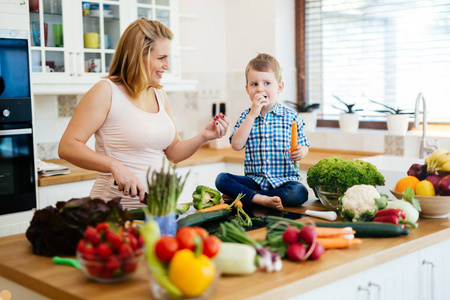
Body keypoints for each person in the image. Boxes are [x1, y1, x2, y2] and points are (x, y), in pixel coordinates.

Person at [58, 18, 229, 209]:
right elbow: (67, 146)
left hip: (155, 211)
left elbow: (172, 152)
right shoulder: (106, 91)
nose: (167, 65)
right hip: (114, 211)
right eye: (161, 58)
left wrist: (203, 136)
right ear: (139, 55)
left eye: (168, 58)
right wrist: (114, 165)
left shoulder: (158, 94)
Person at [215, 53, 310, 211]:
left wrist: (301, 152)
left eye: (267, 83)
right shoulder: (246, 116)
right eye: (254, 84)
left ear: (279, 87)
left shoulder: (292, 117)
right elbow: (236, 145)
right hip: (255, 180)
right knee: (222, 179)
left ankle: (250, 196)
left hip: (284, 181)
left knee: (300, 192)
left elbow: (304, 145)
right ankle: (261, 198)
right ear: (247, 89)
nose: (260, 89)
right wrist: (253, 114)